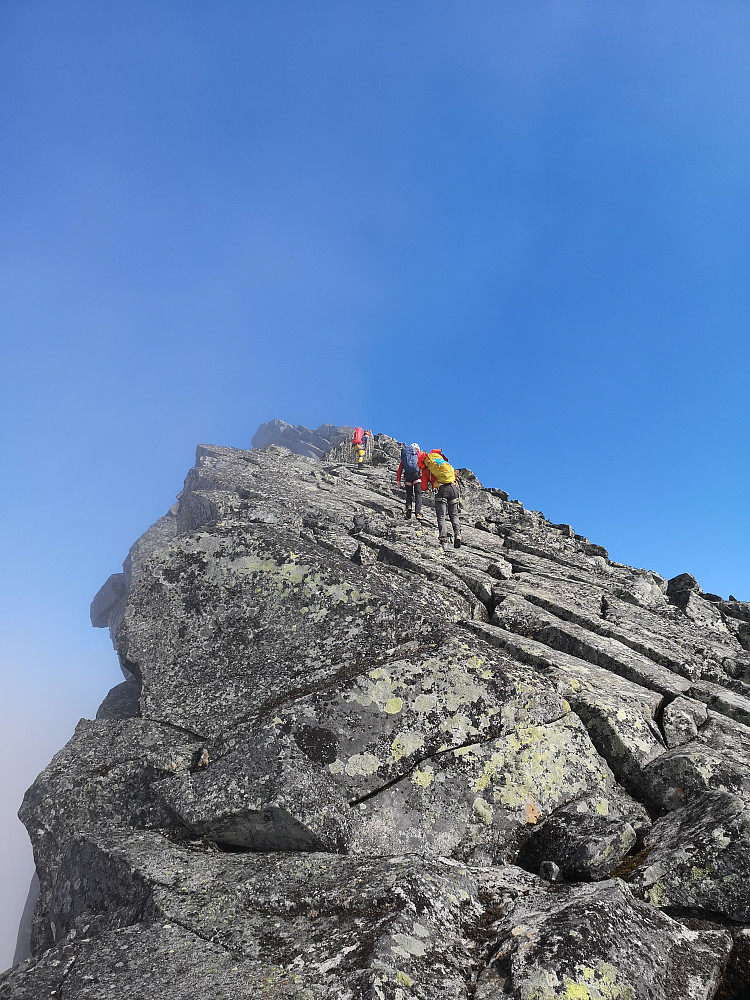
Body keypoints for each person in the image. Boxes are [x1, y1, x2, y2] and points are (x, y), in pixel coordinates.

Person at [422, 448, 462, 548]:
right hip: (453, 488)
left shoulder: (428, 469)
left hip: (441, 490)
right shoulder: (444, 465)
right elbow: (454, 477)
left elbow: (423, 487)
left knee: (441, 516)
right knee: (454, 515)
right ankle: (458, 534)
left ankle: (444, 541)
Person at [396, 443, 424, 520]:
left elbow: (400, 469)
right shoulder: (419, 455)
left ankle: (409, 507)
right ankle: (418, 513)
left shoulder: (405, 455)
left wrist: (398, 480)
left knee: (409, 494)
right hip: (416, 475)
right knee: (418, 494)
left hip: (407, 476)